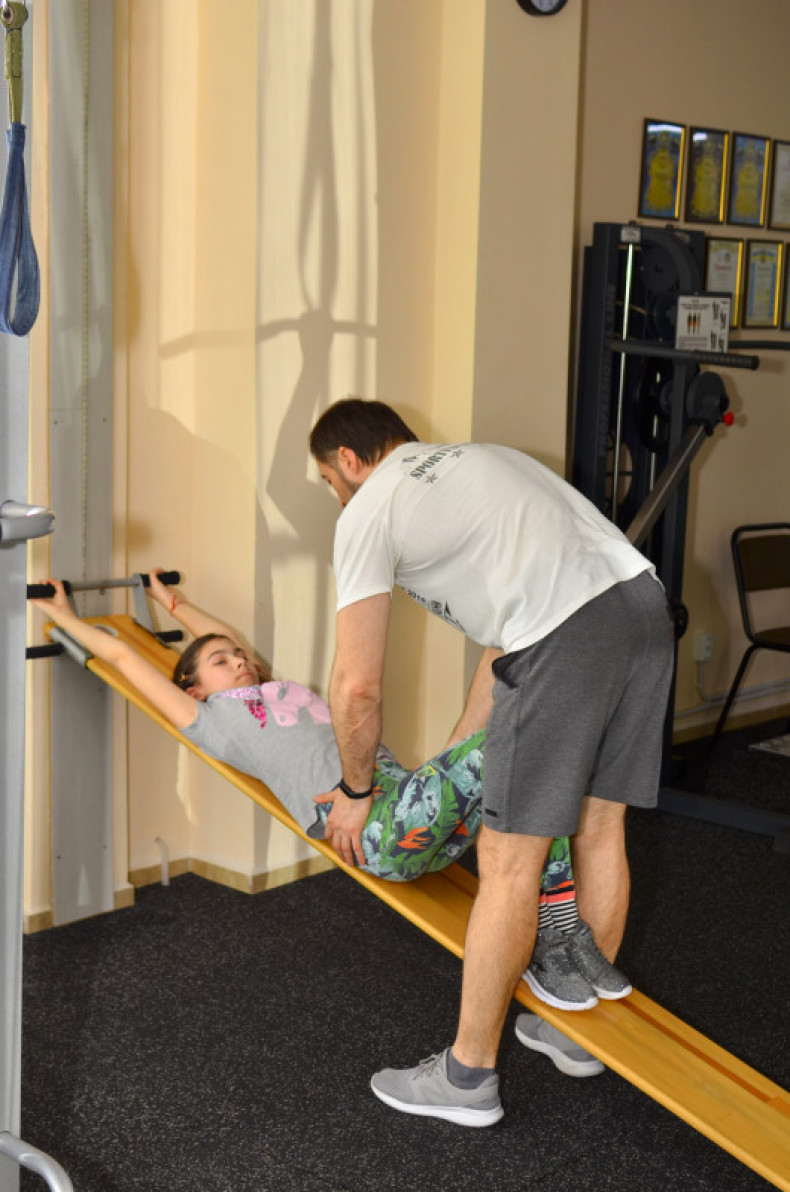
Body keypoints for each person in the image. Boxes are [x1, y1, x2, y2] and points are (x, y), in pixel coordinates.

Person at [31, 571, 630, 1062]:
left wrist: (174, 603)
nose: (237, 661)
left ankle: (559, 930)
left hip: (413, 809)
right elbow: (120, 653)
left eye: (238, 657)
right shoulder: (211, 722)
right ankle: (558, 936)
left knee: (528, 773)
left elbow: (226, 636)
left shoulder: (274, 688)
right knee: (520, 745)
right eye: (219, 662)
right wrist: (62, 615)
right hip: (380, 835)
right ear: (192, 690)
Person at [308, 397, 674, 1125]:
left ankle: (467, 1077)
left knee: (510, 861)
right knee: (600, 827)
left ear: (348, 459)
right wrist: (449, 759)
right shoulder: (480, 463)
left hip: (567, 634)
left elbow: (355, 687)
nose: (335, 496)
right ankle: (572, 1034)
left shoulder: (369, 507)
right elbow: (501, 647)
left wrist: (355, 789)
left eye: (328, 481)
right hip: (645, 611)